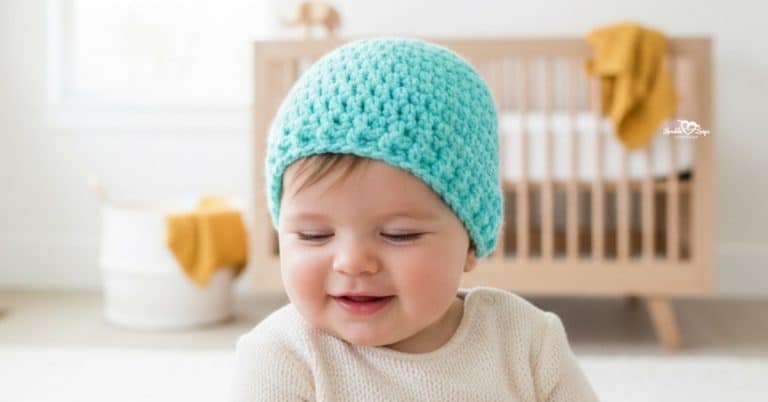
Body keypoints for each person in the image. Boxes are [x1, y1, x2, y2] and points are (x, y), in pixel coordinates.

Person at [231, 37, 598, 401]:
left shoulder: (526, 343)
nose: (353, 262)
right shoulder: (281, 357)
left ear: (470, 242)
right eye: (313, 234)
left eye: (398, 234)